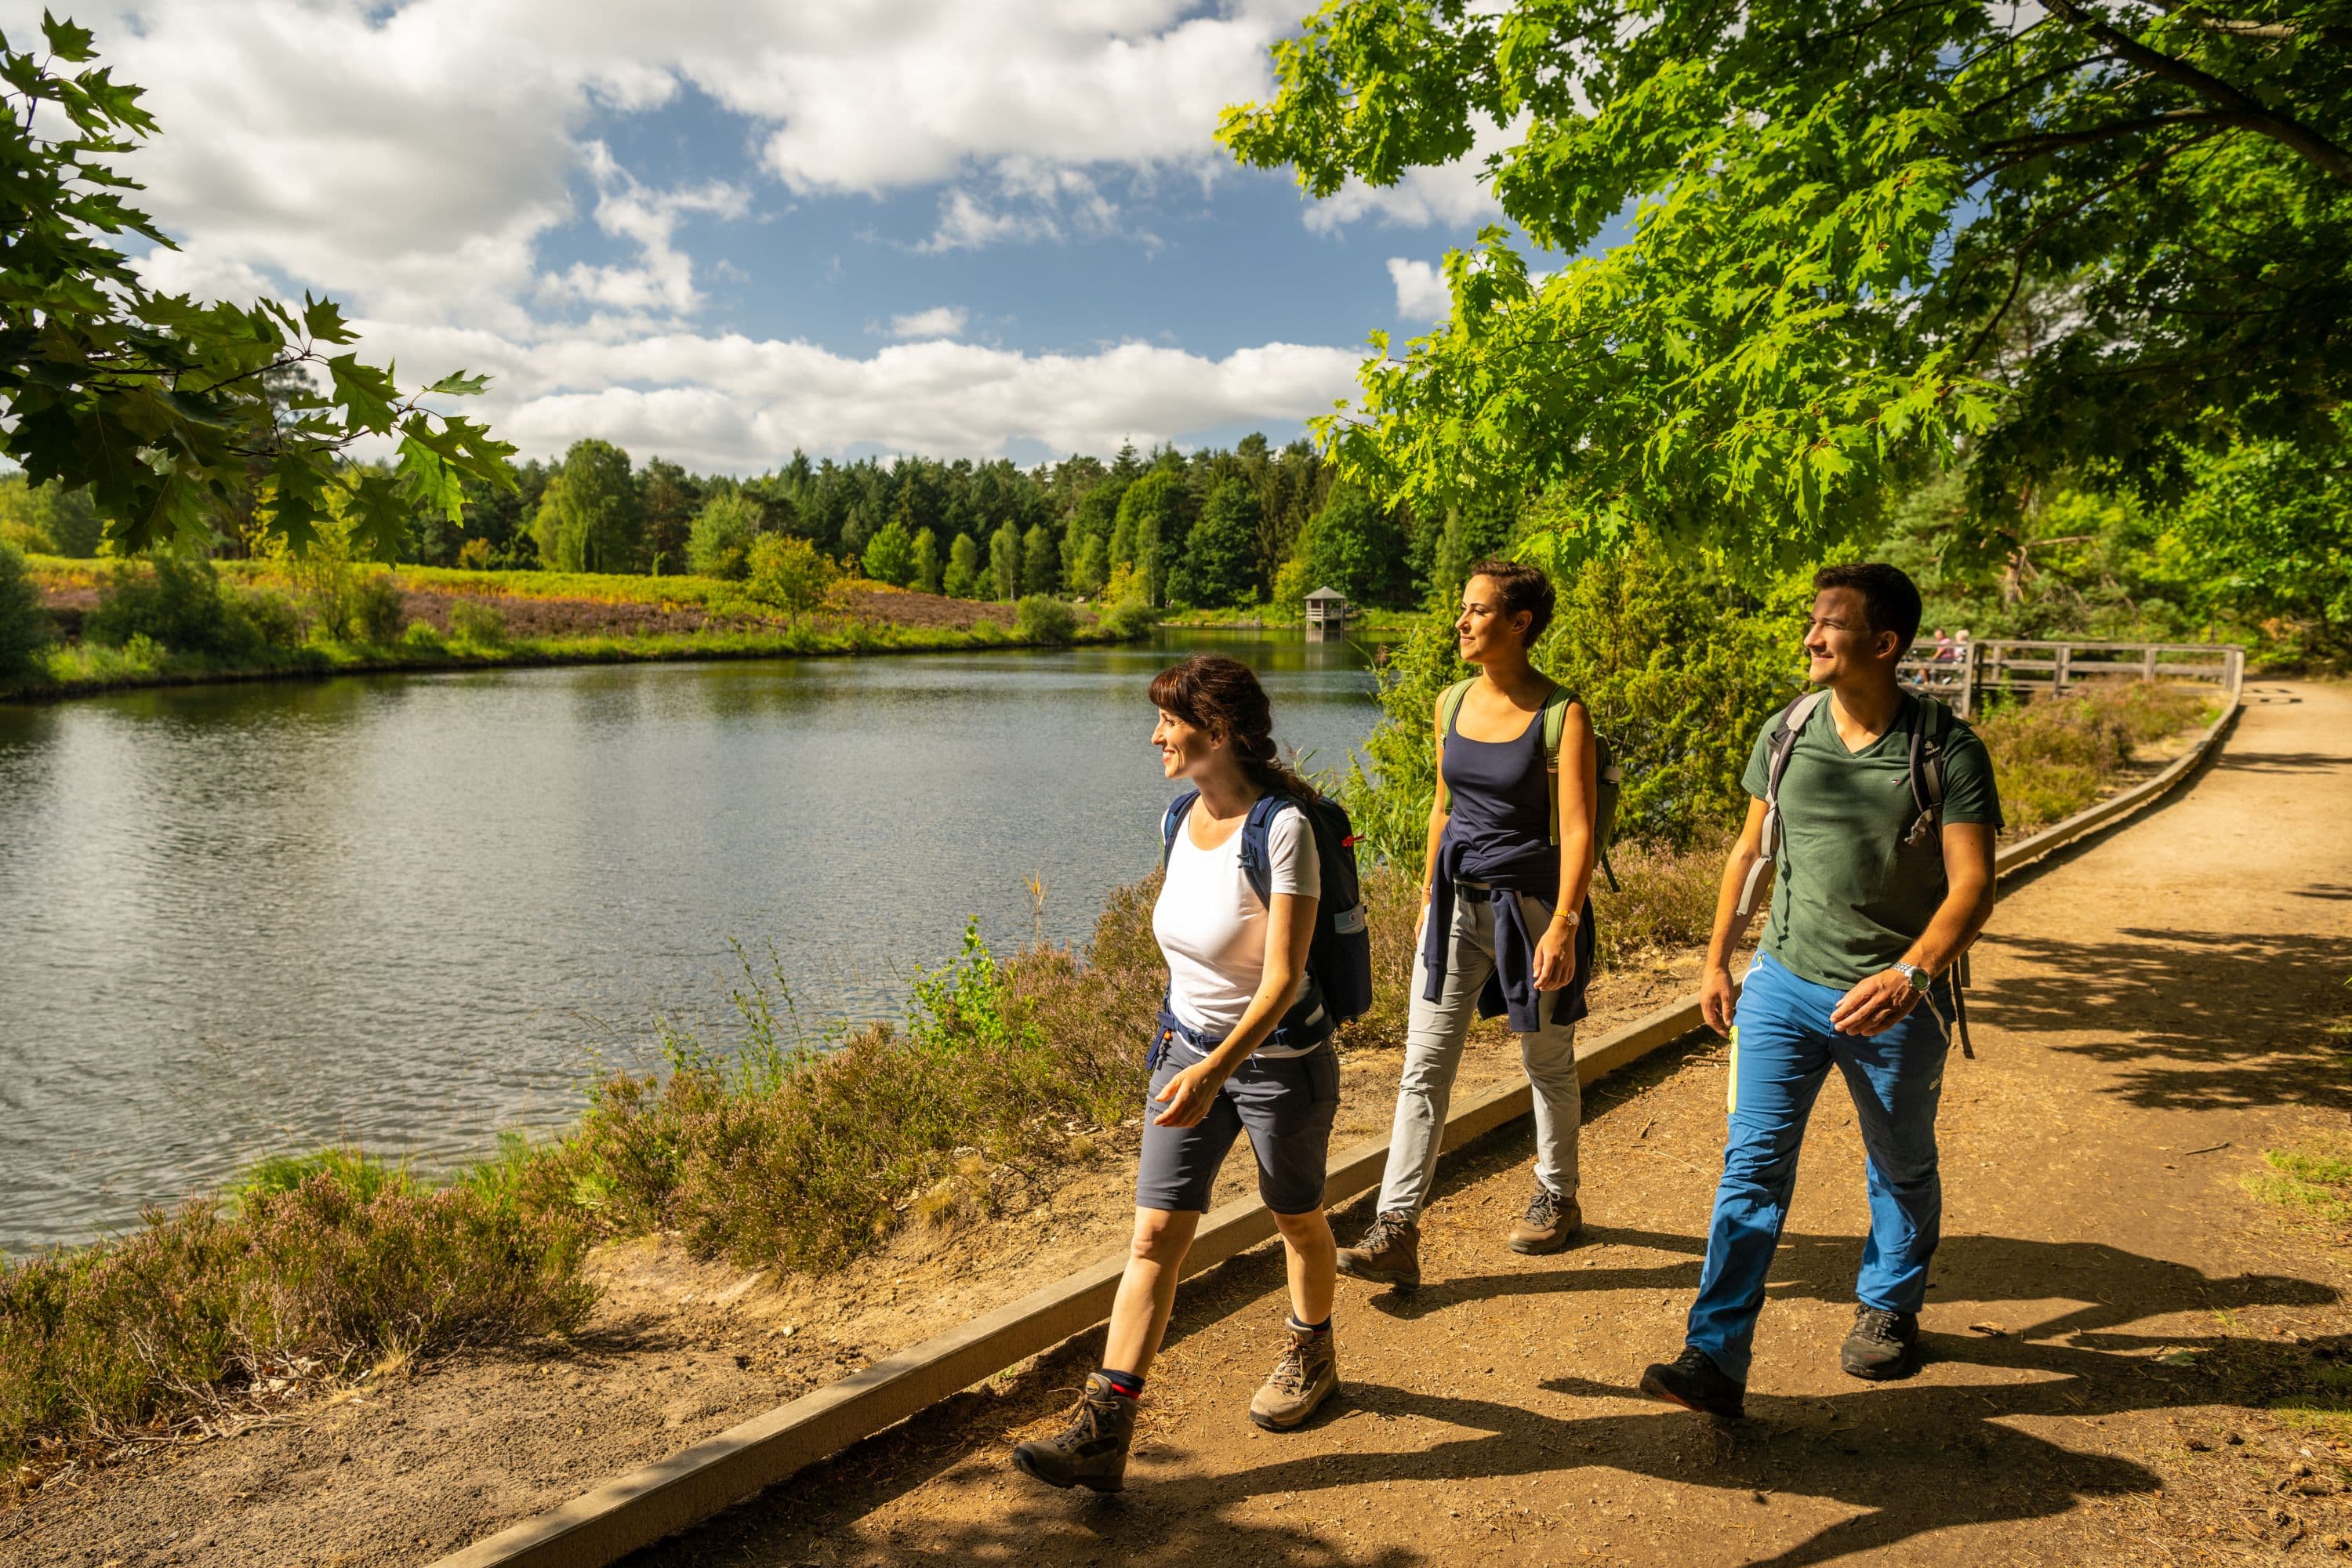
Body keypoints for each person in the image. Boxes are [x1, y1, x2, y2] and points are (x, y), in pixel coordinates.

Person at [1639, 563, 2001, 1421]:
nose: (1809, 636)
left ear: (1882, 643)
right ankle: (1715, 1355)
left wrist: (1913, 975)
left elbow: (1972, 887)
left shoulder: (1947, 750)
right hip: (1783, 986)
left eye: (1828, 624)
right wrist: (1716, 958)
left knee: (1899, 1162)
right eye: (1813, 620)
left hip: (1892, 1003)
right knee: (1751, 1166)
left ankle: (1889, 1306)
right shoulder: (1790, 728)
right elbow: (1748, 852)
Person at [1011, 653, 1341, 1493]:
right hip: (1186, 1054)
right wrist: (1185, 1056)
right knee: (1155, 1235)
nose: (1156, 734)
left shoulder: (1282, 828)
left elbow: (1280, 979)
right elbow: (1191, 952)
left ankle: (1313, 1351)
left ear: (1219, 731)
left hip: (1278, 1064)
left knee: (1295, 1217)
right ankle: (1103, 1429)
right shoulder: (1177, 817)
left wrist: (1217, 1070)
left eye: (1170, 719)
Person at [1335, 559, 1599, 1290]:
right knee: (1423, 1069)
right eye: (1463, 608)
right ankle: (1396, 1226)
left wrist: (1565, 925)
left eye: (1478, 610)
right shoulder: (1451, 702)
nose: (1462, 621)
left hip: (1532, 910)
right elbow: (1442, 807)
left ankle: (1558, 1193)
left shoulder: (1562, 713)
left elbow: (1577, 830)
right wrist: (1426, 895)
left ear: (1519, 624)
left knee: (1545, 1060)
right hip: (1454, 905)